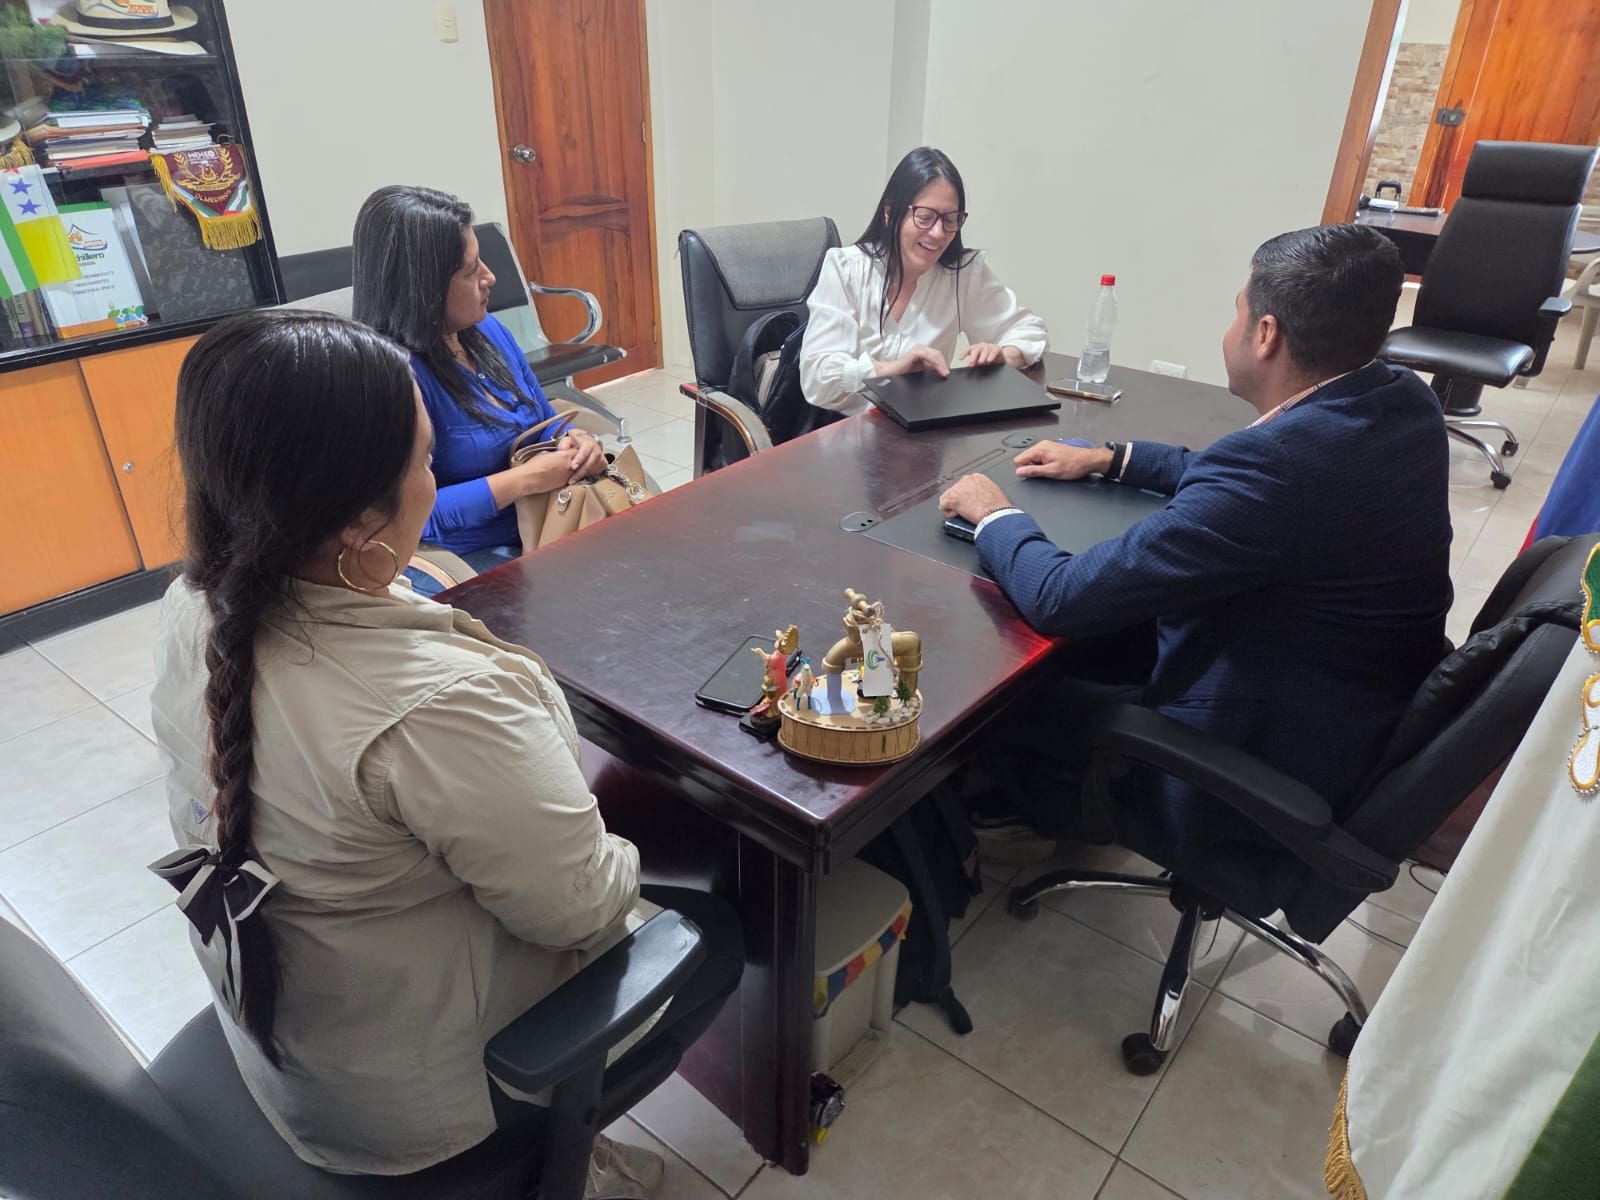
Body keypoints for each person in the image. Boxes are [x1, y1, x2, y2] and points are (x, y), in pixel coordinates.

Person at [149, 309, 742, 1198]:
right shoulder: (433, 706)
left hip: (298, 1055)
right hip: (411, 1112)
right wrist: (623, 833)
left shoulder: (192, 606)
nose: (435, 483)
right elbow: (577, 909)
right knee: (715, 934)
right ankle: (565, 1161)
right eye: (427, 464)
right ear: (358, 522)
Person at [938, 223, 1452, 862]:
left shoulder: (1277, 472)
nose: (1229, 330)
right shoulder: (1401, 400)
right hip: (1353, 710)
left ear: (1266, 335)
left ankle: (1005, 810)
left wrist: (994, 515)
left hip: (1264, 753)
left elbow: (1061, 597)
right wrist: (1110, 458)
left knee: (1011, 687)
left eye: (1238, 312)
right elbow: (1245, 477)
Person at [350, 184, 607, 588]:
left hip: (548, 518)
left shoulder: (488, 331)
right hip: (469, 557)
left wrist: (576, 440)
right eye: (471, 271)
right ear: (423, 286)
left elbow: (541, 417)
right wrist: (525, 479)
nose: (489, 277)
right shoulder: (390, 380)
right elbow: (404, 518)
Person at [799, 146, 1048, 414]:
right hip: (845, 428)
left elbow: (1030, 331)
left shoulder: (962, 274)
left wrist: (1002, 356)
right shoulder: (846, 268)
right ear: (889, 213)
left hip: (922, 429)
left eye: (950, 220)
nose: (938, 233)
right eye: (925, 217)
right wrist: (891, 370)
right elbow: (817, 379)